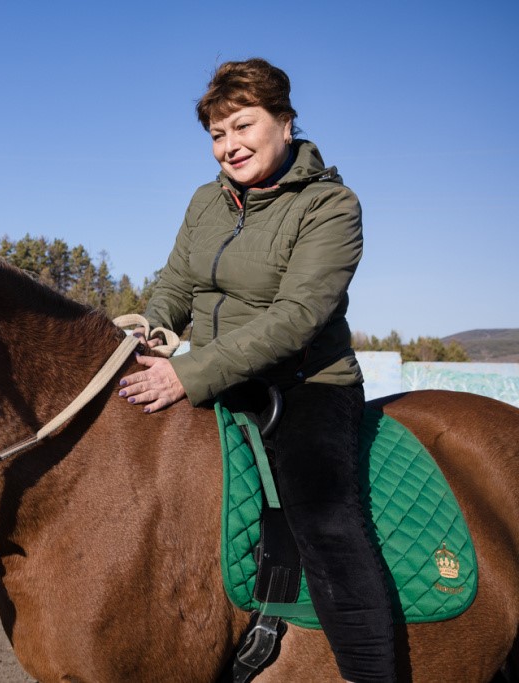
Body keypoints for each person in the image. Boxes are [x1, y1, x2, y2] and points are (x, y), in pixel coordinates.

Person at [117, 58, 395, 682]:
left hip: (304, 385)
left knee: (327, 523)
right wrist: (153, 326)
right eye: (217, 134)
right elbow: (177, 283)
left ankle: (369, 672)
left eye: (242, 126)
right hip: (213, 370)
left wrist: (186, 374)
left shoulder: (332, 207)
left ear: (286, 124)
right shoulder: (205, 201)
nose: (228, 146)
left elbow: (298, 317)